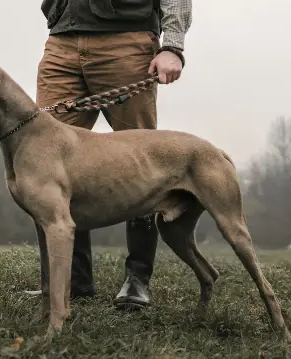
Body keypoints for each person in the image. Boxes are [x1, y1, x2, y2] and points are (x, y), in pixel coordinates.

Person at [29, 0, 192, 310]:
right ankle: (69, 282)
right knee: (50, 165)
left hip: (127, 41)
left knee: (142, 165)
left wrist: (172, 46)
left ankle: (137, 279)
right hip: (61, 41)